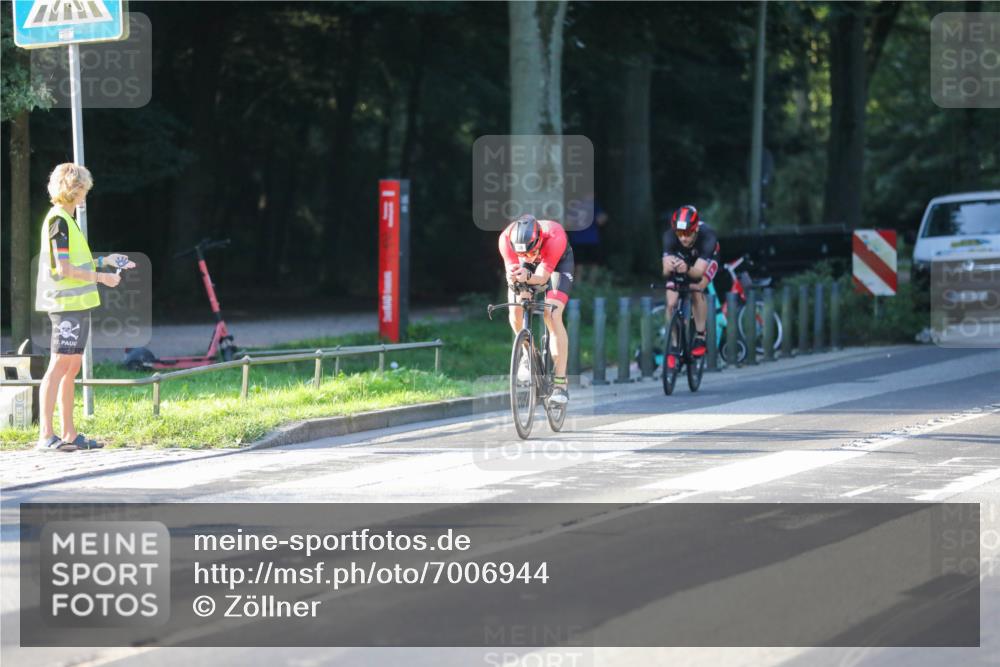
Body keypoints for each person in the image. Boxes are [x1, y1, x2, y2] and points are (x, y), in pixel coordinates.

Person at [34, 163, 134, 452]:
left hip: (77, 306)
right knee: (59, 365)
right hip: (65, 306)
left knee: (72, 366)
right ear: (73, 190)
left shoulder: (67, 219)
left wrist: (106, 261)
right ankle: (46, 436)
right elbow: (64, 268)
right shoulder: (59, 221)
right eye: (84, 190)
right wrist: (102, 277)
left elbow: (75, 263)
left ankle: (69, 433)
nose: (85, 195)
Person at [498, 214, 574, 405]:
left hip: (557, 264)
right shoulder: (505, 239)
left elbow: (541, 277)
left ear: (538, 240)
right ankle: (528, 353)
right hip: (525, 267)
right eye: (523, 253)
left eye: (531, 251)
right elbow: (512, 274)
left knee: (552, 314)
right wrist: (515, 279)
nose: (528, 256)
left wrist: (527, 276)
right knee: (516, 309)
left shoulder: (554, 237)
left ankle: (560, 383)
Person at [662, 205, 719, 358]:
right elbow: (665, 272)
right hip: (683, 257)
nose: (683, 238)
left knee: (696, 288)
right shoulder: (669, 237)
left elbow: (698, 273)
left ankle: (700, 336)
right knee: (671, 302)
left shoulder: (708, 236)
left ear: (696, 229)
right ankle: (675, 344)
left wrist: (686, 268)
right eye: (679, 233)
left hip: (705, 259)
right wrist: (669, 268)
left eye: (687, 233)